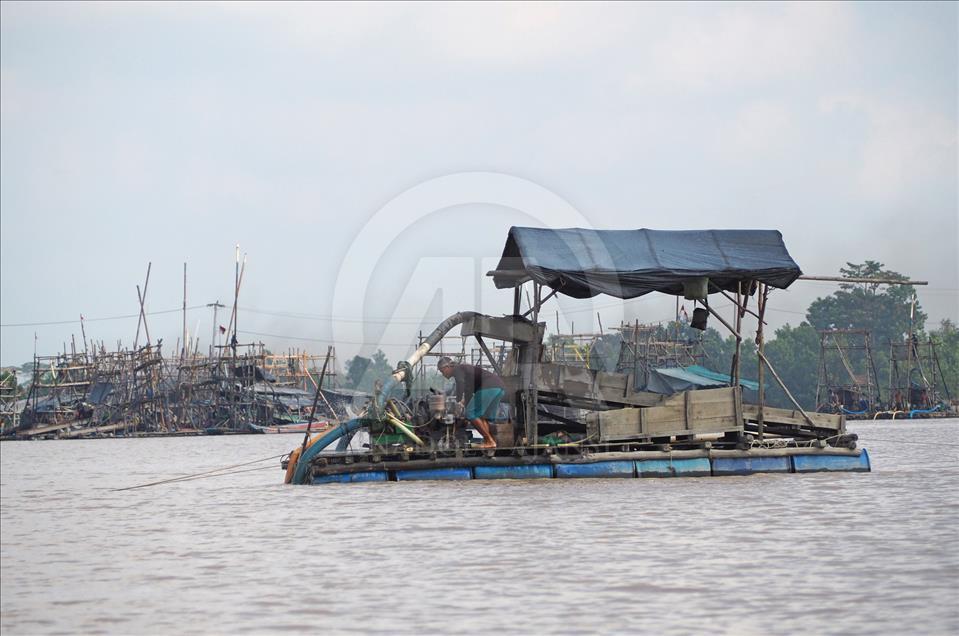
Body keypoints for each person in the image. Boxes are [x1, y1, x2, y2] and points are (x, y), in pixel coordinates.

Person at [437, 356, 504, 449]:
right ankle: (491, 443)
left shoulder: (457, 369)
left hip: (488, 386)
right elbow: (468, 392)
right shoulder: (465, 371)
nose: (443, 374)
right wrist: (463, 405)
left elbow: (460, 385)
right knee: (483, 417)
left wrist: (458, 402)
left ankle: (489, 441)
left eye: (442, 371)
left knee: (470, 413)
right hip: (498, 387)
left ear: (447, 367)